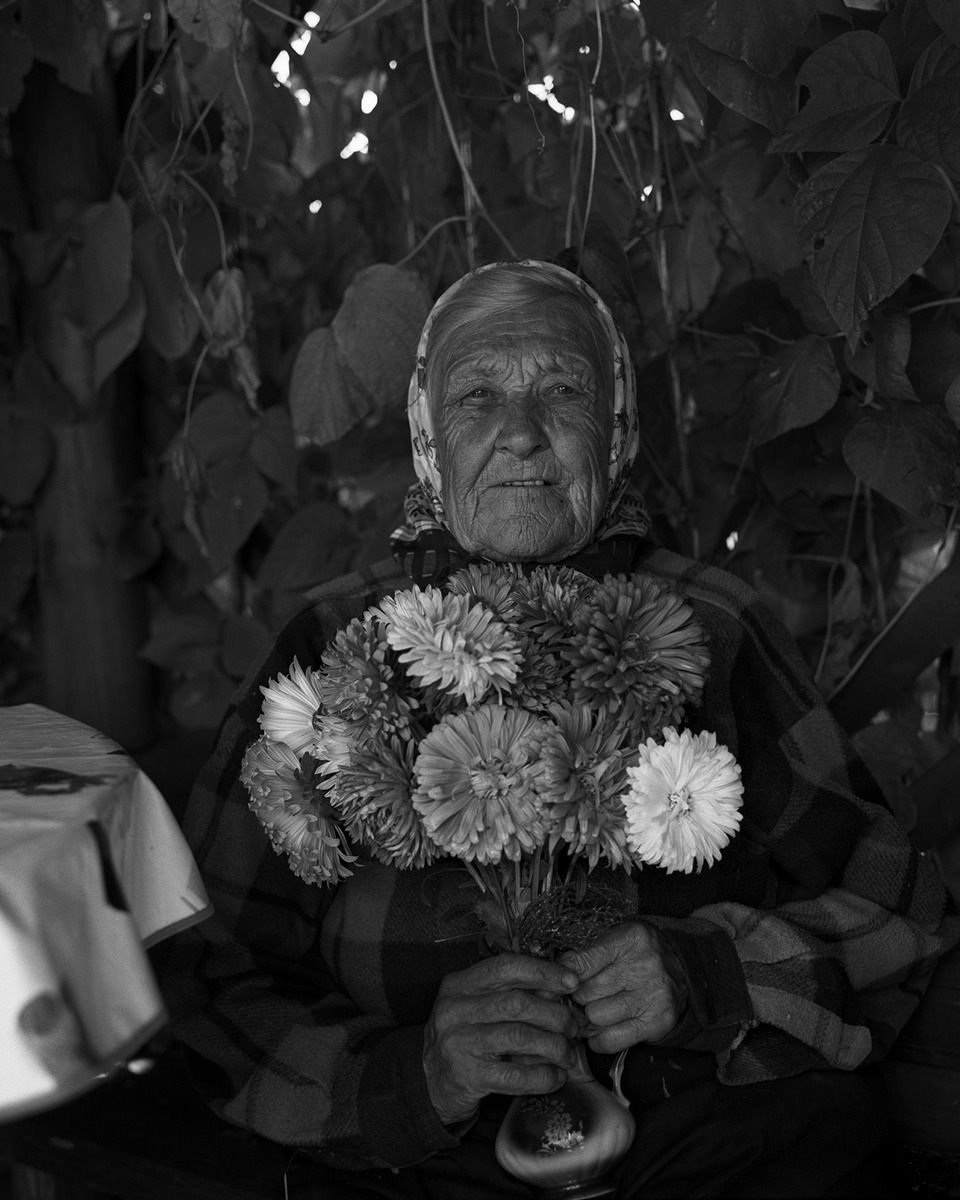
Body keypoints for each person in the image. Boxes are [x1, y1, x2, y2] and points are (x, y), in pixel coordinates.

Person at [157, 259, 959, 1199]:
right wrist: (420, 1073)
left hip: (679, 1131)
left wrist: (706, 973)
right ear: (430, 436)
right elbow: (213, 975)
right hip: (422, 1155)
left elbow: (896, 906)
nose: (522, 434)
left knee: (824, 1133)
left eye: (563, 391)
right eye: (478, 396)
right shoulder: (337, 640)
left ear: (614, 431)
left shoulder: (711, 623)